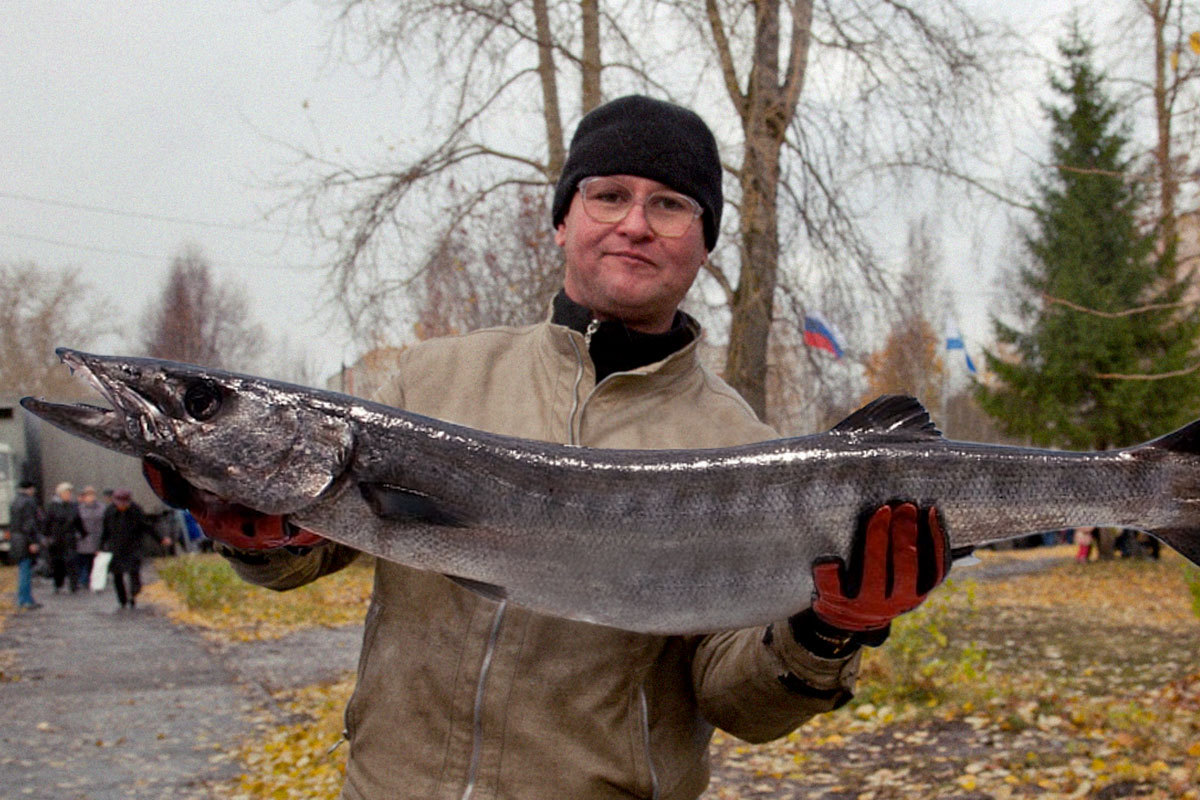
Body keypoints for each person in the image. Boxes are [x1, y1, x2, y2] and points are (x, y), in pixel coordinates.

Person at [143, 95, 950, 799]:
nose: (635, 224)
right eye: (609, 196)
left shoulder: (743, 447)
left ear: (704, 243)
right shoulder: (425, 382)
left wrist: (830, 632)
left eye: (670, 205)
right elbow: (306, 558)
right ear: (563, 219)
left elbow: (739, 702)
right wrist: (260, 536)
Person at [99, 488, 170, 610]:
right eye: (119, 503)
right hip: (116, 548)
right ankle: (122, 600)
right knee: (117, 575)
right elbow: (105, 531)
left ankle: (134, 596)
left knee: (134, 573)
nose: (122, 506)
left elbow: (147, 527)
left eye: (124, 503)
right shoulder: (109, 511)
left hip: (133, 547)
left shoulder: (136, 510)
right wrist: (100, 547)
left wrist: (160, 539)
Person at [43, 481, 84, 593]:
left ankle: (73, 584)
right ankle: (58, 584)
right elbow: (47, 522)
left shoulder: (73, 506)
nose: (68, 495)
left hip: (70, 538)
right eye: (66, 492)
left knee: (72, 561)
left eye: (69, 493)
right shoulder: (53, 506)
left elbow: (78, 521)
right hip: (57, 540)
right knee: (58, 563)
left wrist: (83, 533)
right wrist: (46, 536)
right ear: (60, 494)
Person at [7, 481, 43, 610]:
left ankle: (25, 599)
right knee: (26, 571)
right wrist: (32, 541)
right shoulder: (29, 502)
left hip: (16, 539)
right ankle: (25, 600)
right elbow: (29, 524)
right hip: (25, 541)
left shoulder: (15, 501)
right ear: (30, 489)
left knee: (23, 570)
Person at [75, 485, 106, 590]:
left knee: (92, 561)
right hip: (82, 538)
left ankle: (89, 580)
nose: (90, 497)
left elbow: (103, 523)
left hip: (96, 537)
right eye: (87, 495)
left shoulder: (101, 507)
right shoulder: (79, 508)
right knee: (82, 560)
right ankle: (83, 580)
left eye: (91, 495)